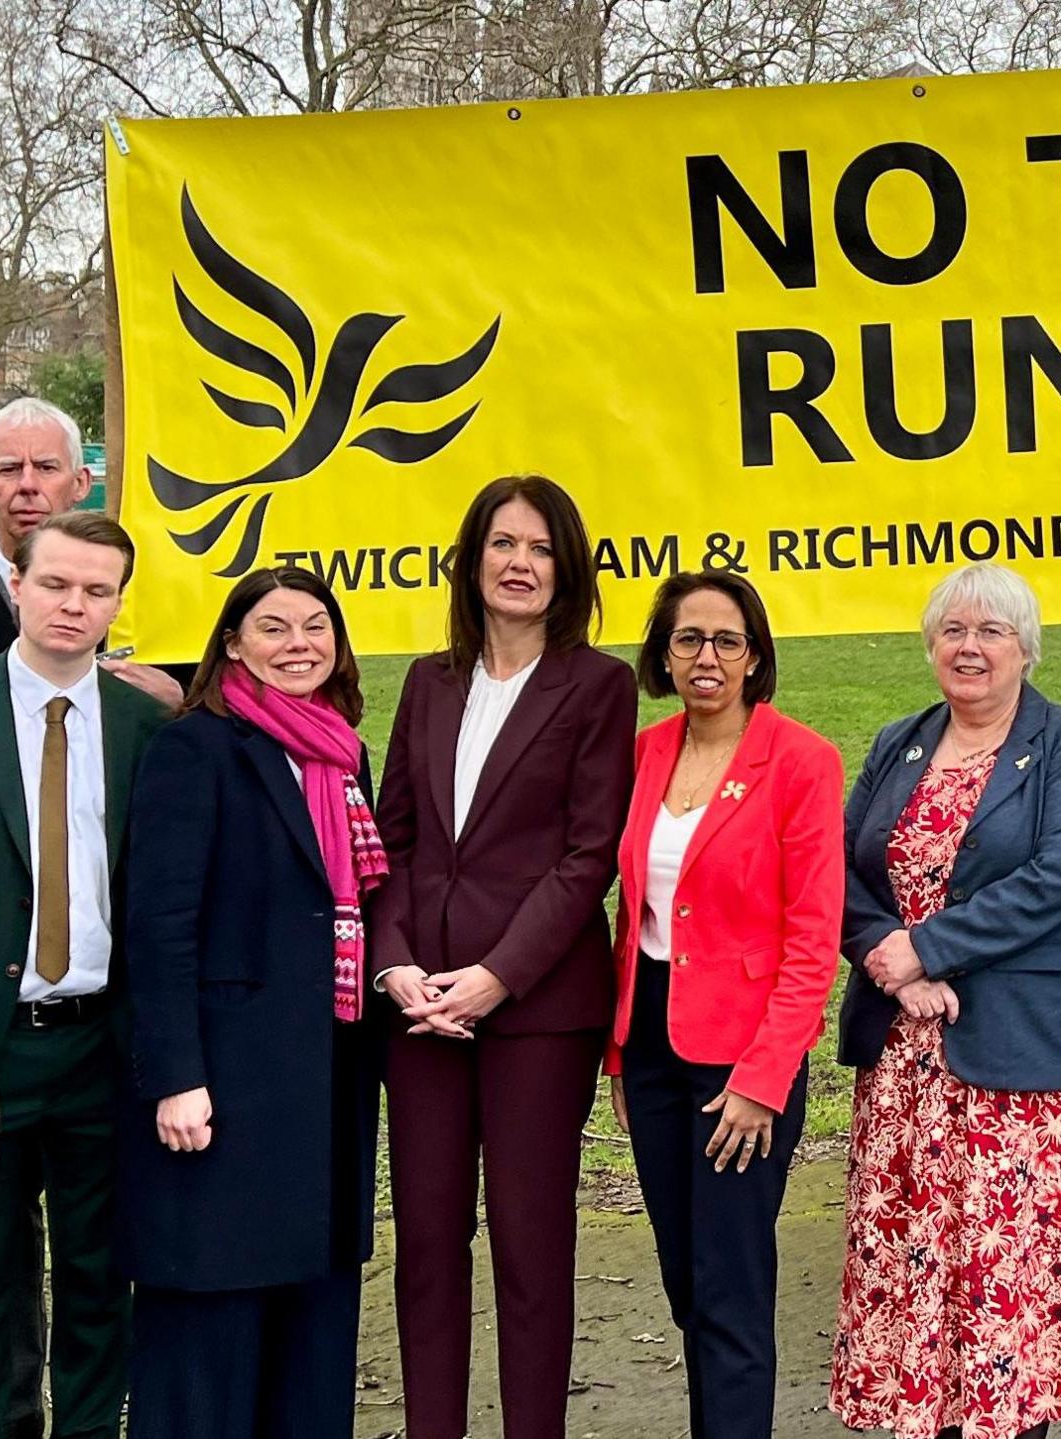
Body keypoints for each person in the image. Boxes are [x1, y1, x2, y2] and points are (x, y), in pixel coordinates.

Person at [828, 562, 1061, 1439]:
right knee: (924, 1282)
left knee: (1011, 1293)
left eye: (991, 631)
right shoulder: (900, 741)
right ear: (931, 645)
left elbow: (1060, 877)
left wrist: (927, 946)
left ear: (1025, 649)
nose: (970, 647)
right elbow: (843, 869)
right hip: (910, 1065)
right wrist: (891, 960)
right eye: (953, 631)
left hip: (1025, 1065)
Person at [366, 476, 636, 1439]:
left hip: (536, 1010)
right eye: (503, 543)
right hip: (421, 1008)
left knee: (530, 1247)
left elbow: (586, 856)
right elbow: (387, 840)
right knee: (427, 1245)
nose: (519, 563)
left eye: (541, 548)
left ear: (567, 570)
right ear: (472, 558)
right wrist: (396, 965)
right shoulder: (428, 680)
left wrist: (496, 976)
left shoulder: (598, 684)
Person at [0, 511, 173, 1439]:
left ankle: (94, 1426)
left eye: (97, 590)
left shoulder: (150, 725)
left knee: (102, 1270)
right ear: (14, 582)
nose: (75, 604)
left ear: (117, 602)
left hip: (105, 1042)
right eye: (56, 583)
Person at [116, 568, 387, 1438]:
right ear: (232, 642)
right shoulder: (196, 747)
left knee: (311, 1329)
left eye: (316, 625)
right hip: (224, 1088)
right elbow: (159, 925)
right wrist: (175, 1076)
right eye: (273, 628)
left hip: (326, 1081)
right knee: (211, 1331)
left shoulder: (343, 752)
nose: (299, 643)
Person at [608, 569, 843, 1439]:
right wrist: (620, 1050)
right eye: (688, 639)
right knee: (684, 1282)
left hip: (744, 1054)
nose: (707, 657)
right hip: (654, 1042)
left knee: (731, 1286)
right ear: (663, 655)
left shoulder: (801, 760)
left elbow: (814, 937)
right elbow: (628, 914)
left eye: (726, 640)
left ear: (755, 657)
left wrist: (763, 1077)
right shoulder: (646, 752)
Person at [0, 396, 181, 707]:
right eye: (9, 469)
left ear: (81, 483)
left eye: (46, 467)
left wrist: (181, 704)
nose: (28, 484)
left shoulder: (159, 619)